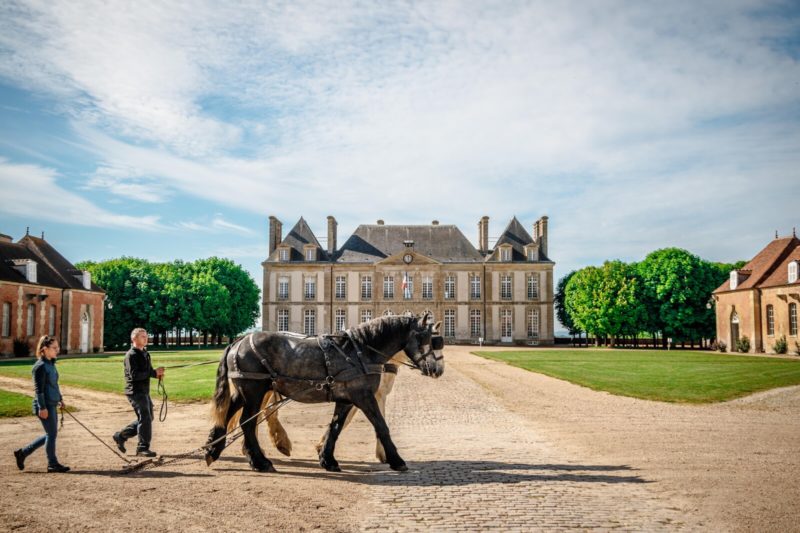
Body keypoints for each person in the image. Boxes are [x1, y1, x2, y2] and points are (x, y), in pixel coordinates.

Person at [13, 335, 70, 473]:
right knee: (51, 434)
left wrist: (60, 399)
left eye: (58, 347)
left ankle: (23, 453)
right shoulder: (40, 367)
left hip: (52, 403)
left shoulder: (51, 364)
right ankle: (52, 464)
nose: (57, 350)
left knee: (51, 433)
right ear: (44, 349)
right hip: (44, 405)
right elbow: (39, 391)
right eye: (54, 348)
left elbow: (54, 384)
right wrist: (42, 407)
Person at [113, 328, 164, 457]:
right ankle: (142, 448)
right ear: (134, 339)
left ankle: (121, 435)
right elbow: (134, 375)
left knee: (148, 418)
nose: (146, 338)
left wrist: (156, 373)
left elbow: (148, 371)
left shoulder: (146, 353)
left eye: (146, 336)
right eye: (142, 336)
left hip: (144, 391)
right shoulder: (131, 355)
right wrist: (153, 373)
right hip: (135, 392)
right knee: (145, 418)